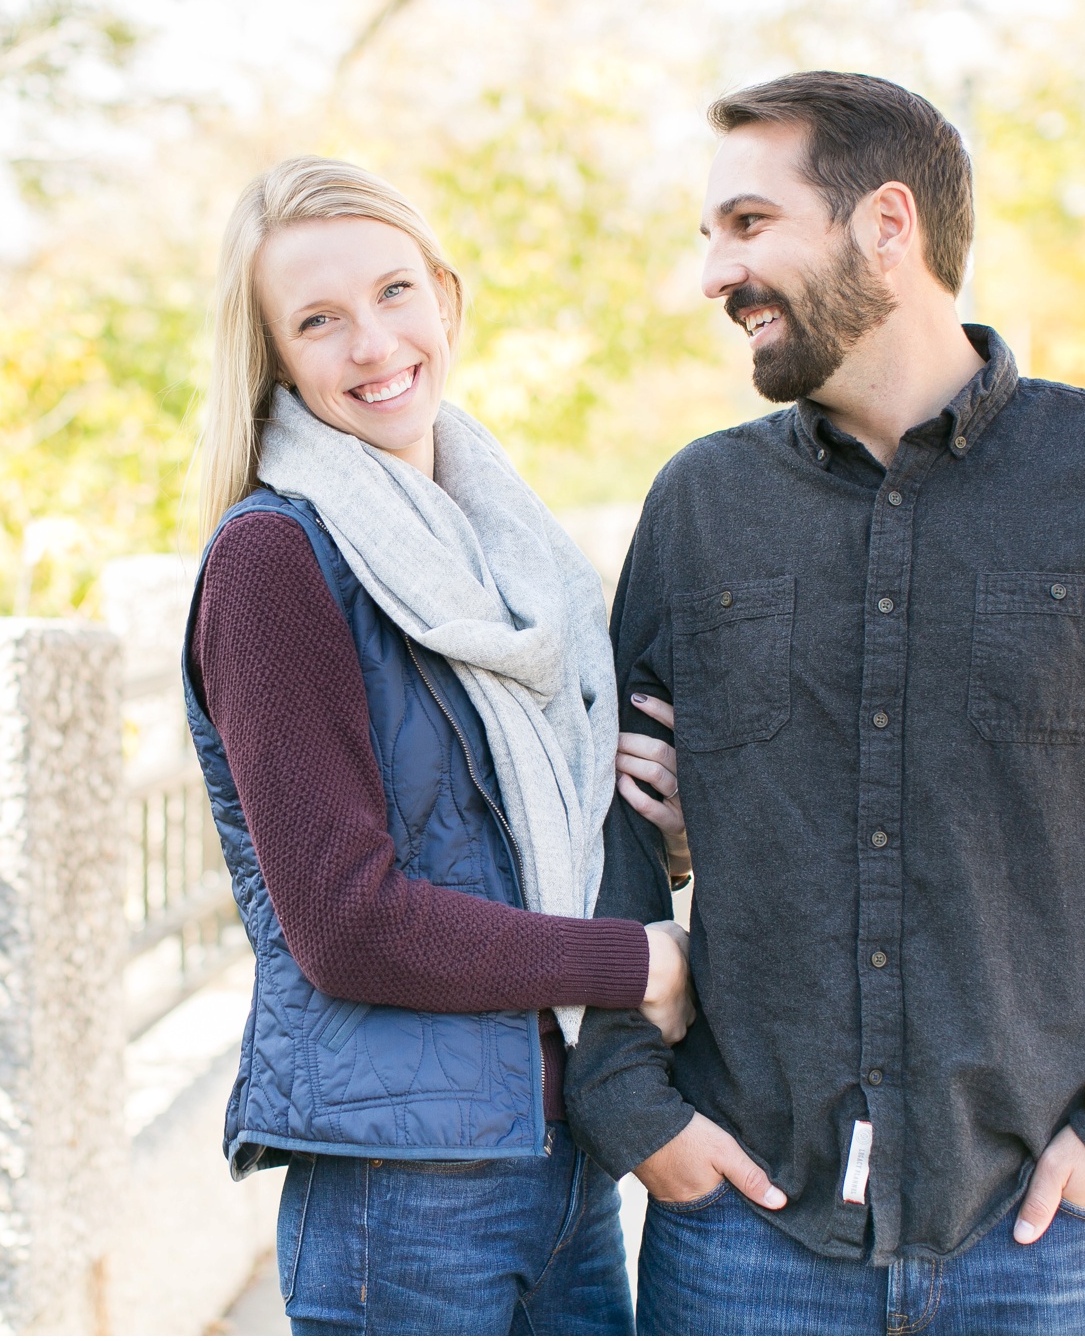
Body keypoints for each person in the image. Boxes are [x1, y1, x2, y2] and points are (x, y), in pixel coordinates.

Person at [569, 71, 1085, 1336]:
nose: (710, 274)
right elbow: (605, 825)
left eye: (745, 224)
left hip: (1030, 1236)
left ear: (885, 226)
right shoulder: (698, 507)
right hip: (743, 1232)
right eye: (708, 236)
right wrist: (634, 1108)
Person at [181, 155, 694, 1335]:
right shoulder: (274, 562)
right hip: (400, 1195)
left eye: (394, 293)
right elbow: (349, 923)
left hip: (560, 1153)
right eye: (318, 320)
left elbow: (498, 836)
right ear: (271, 359)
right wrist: (645, 964)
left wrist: (648, 819)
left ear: (446, 302)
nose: (372, 344)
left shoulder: (503, 547)